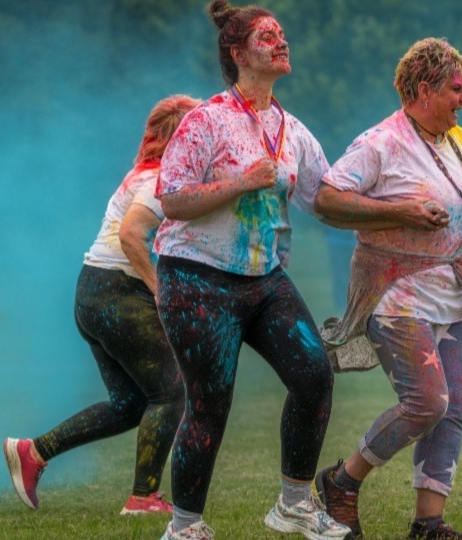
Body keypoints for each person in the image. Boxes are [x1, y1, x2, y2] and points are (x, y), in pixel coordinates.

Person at [312, 37, 462, 540]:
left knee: (452, 409)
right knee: (427, 402)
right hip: (394, 293)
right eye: (456, 89)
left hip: (448, 292)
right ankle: (340, 481)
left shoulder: (461, 142)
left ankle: (429, 524)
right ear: (425, 90)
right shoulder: (380, 143)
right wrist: (399, 212)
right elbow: (327, 200)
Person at [151, 2, 354, 539]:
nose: (281, 43)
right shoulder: (206, 120)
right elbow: (171, 201)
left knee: (314, 376)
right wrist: (242, 181)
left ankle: (293, 505)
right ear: (239, 53)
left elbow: (327, 201)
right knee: (211, 404)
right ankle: (184, 528)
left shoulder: (291, 129)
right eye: (268, 37)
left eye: (282, 35)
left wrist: (396, 210)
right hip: (194, 276)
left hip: (264, 280)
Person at [3, 94, 201, 516]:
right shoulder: (160, 179)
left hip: (92, 292)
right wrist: (159, 291)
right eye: (197, 131)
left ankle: (33, 452)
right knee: (170, 391)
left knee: (130, 403)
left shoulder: (145, 173)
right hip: (117, 292)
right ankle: (143, 498)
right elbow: (132, 237)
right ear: (180, 138)